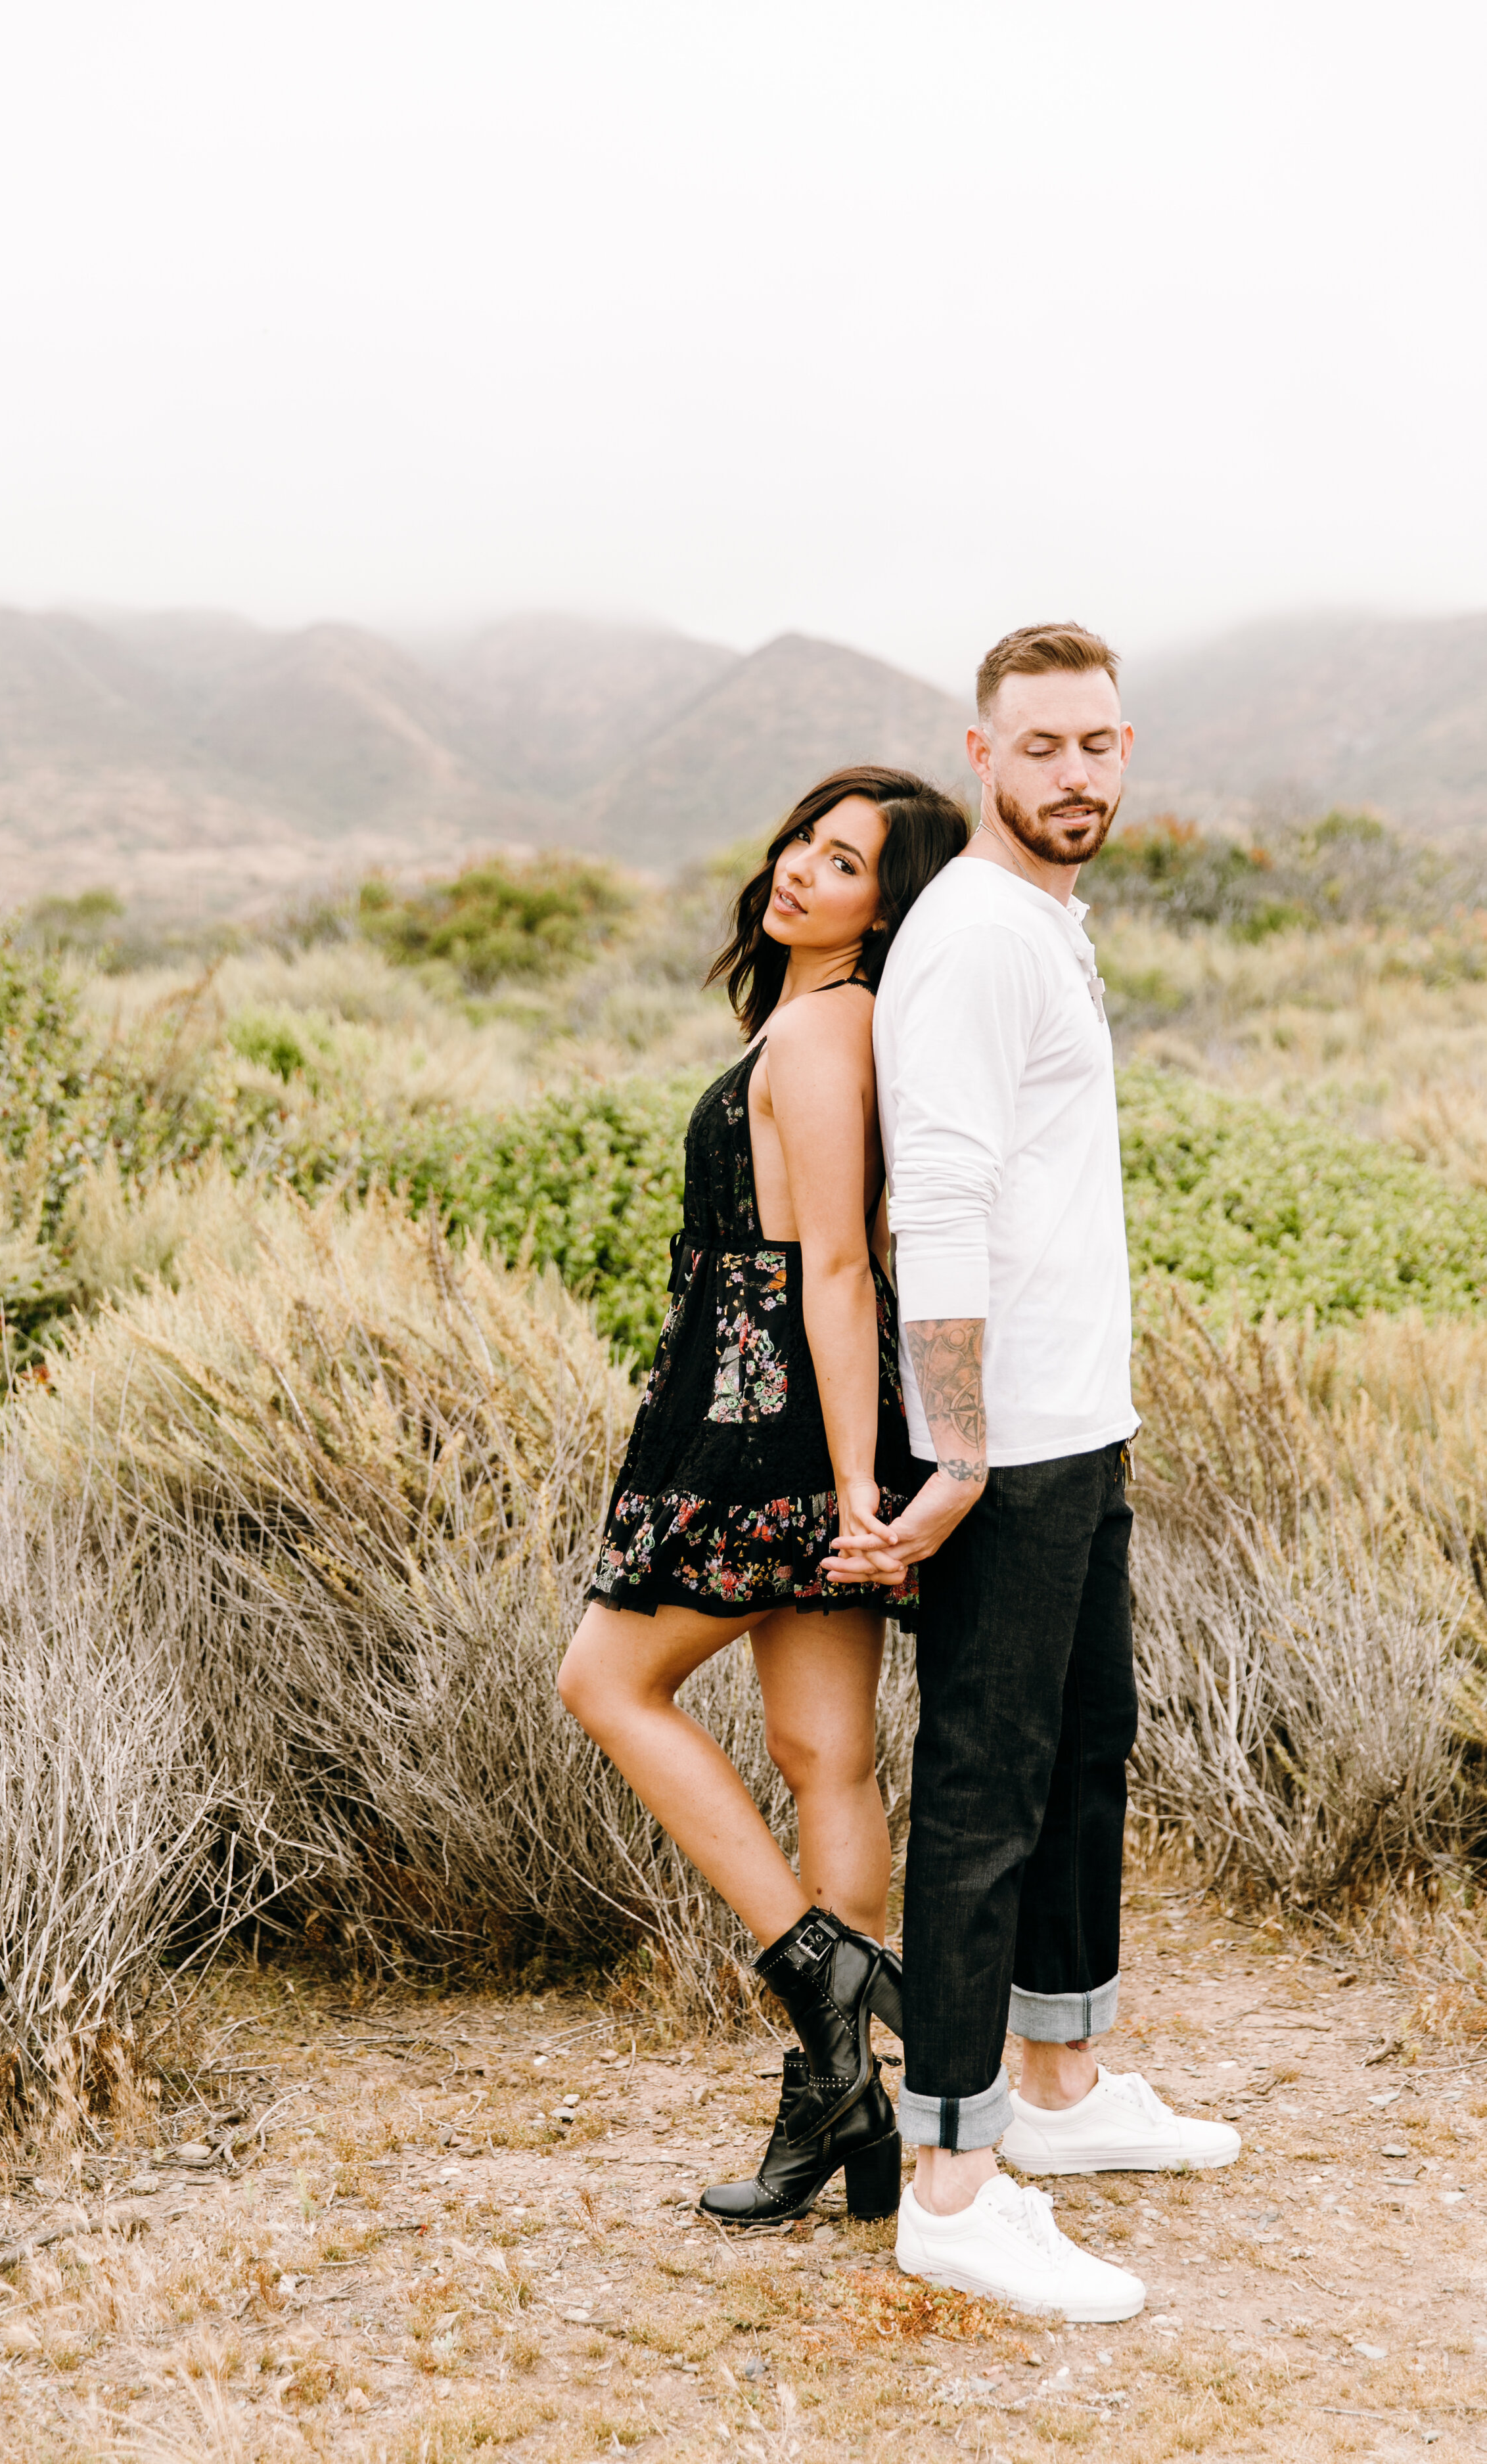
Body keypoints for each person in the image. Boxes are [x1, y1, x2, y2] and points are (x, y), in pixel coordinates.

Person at [828, 624, 1239, 2323]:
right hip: (1001, 1443)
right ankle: (950, 2178)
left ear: (1125, 748)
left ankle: (1058, 2094)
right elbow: (936, 1198)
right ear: (980, 758)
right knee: (984, 1794)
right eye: (1040, 745)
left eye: (1099, 743)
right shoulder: (973, 939)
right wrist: (960, 1447)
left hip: (1080, 1417)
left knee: (1085, 1746)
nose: (1076, 774)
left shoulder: (1046, 923)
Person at [558, 764, 969, 2227]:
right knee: (822, 1757)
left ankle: (823, 1962)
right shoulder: (836, 1022)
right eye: (804, 838)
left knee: (603, 1684)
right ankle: (843, 2119)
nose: (800, 867)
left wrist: (854, 1479)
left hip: (764, 1416)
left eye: (845, 861)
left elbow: (835, 1262)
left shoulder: (815, 1024)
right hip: (799, 1406)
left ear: (886, 904)